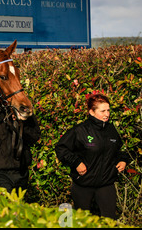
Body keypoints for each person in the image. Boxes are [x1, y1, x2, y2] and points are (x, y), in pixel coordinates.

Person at [55, 91, 129, 219]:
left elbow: (120, 150)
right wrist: (76, 162)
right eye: (102, 111)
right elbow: (61, 148)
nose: (107, 114)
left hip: (106, 184)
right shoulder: (80, 130)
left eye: (108, 110)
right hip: (83, 184)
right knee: (82, 221)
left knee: (109, 221)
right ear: (91, 112)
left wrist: (123, 160)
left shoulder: (111, 130)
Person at [0, 98, 41, 193]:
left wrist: (22, 124)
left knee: (18, 207)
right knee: (5, 205)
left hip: (21, 173)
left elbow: (34, 137)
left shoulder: (23, 110)